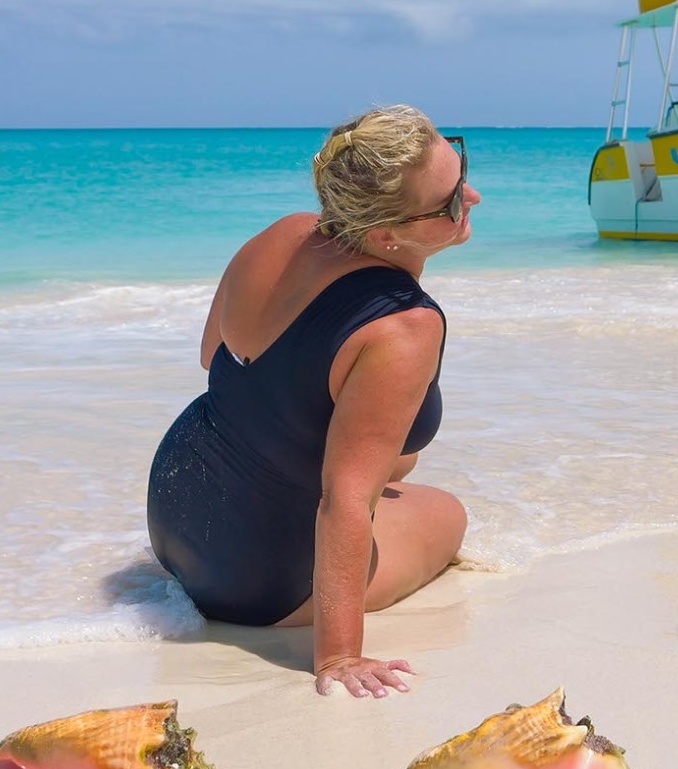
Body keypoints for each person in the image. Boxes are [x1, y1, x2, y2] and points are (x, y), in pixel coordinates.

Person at [147, 106, 472, 700]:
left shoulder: (284, 232)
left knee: (397, 466)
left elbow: (212, 356)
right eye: (450, 199)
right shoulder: (404, 327)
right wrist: (339, 656)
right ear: (385, 235)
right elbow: (345, 500)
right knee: (446, 512)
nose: (472, 196)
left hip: (176, 514)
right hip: (249, 582)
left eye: (463, 165)